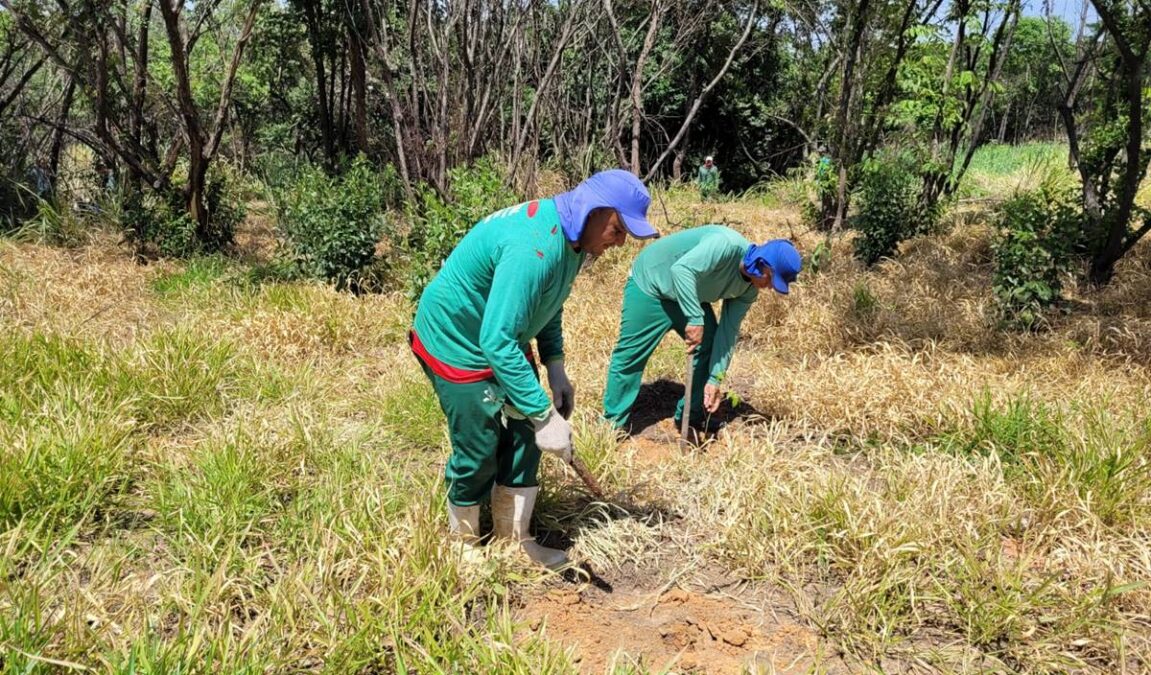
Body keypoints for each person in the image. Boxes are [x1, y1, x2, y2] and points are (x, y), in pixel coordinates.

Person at [410, 169, 658, 568]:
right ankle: (463, 544)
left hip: (502, 333)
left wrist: (554, 365)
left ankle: (515, 539)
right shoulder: (535, 247)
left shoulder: (571, 242)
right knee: (480, 444)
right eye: (617, 229)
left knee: (525, 435)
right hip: (458, 340)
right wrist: (544, 414)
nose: (620, 242)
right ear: (594, 211)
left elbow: (548, 303)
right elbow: (495, 340)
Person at [602, 227, 801, 432]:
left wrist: (716, 378)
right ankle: (612, 424)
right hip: (652, 283)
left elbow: (728, 333)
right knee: (630, 355)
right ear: (761, 264)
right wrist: (695, 318)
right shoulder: (726, 245)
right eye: (770, 279)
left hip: (688, 294)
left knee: (710, 343)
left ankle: (692, 414)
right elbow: (682, 270)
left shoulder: (749, 291)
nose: (769, 287)